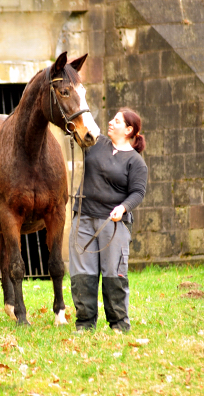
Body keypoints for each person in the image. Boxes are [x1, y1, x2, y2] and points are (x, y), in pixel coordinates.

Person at [69, 107, 147, 333]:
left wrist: (123, 208)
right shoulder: (97, 143)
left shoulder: (135, 162)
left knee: (114, 273)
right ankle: (84, 323)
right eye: (111, 119)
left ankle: (119, 324)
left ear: (129, 129)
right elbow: (79, 123)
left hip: (114, 224)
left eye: (117, 121)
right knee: (82, 273)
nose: (110, 123)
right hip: (83, 218)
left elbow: (138, 193)